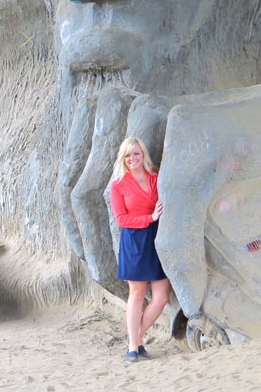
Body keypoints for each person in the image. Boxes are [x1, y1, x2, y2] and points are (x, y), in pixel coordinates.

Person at [109, 137, 170, 362]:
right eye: (128, 155)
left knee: (161, 297)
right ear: (122, 159)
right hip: (134, 240)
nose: (132, 158)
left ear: (143, 154)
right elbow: (121, 219)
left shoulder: (156, 175)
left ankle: (135, 339)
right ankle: (134, 347)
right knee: (137, 294)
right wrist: (150, 217)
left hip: (157, 238)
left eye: (136, 153)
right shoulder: (118, 185)